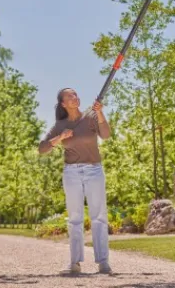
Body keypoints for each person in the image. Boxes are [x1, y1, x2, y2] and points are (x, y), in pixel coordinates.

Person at [38, 88, 112, 274]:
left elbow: (106, 134)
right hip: (71, 173)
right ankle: (75, 263)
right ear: (63, 103)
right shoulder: (60, 125)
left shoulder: (91, 117)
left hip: (94, 170)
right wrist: (60, 137)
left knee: (99, 217)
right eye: (70, 96)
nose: (75, 97)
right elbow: (42, 148)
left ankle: (103, 262)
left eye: (76, 94)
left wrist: (100, 112)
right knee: (75, 219)